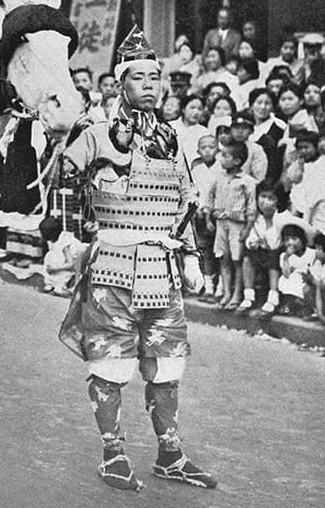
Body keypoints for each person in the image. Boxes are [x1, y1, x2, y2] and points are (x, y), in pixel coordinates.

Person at [59, 25, 215, 492]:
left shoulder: (172, 137)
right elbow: (64, 182)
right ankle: (113, 453)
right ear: (121, 83)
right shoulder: (97, 133)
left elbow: (186, 200)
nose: (150, 85)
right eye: (139, 78)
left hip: (162, 271)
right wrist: (68, 236)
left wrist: (191, 254)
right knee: (111, 366)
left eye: (155, 77)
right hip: (111, 267)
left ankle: (170, 453)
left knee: (167, 367)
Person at [201, 140, 257, 310]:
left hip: (237, 225)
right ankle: (226, 293)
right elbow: (209, 199)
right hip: (221, 224)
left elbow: (251, 208)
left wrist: (247, 229)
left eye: (226, 156)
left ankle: (237, 294)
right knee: (223, 259)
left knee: (237, 260)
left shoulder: (247, 181)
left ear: (237, 161)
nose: (221, 159)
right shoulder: (218, 178)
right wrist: (208, 219)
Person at [239, 183, 291, 314]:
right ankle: (249, 296)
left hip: (280, 257)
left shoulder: (282, 217)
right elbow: (250, 238)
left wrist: (262, 239)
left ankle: (273, 298)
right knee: (247, 256)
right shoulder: (257, 218)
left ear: (278, 201)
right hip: (262, 254)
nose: (265, 201)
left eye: (271, 198)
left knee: (274, 255)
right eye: (262, 196)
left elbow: (275, 244)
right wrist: (252, 242)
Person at [190, 134, 221, 301]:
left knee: (220, 252)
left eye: (211, 147)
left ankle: (220, 289)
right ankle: (207, 287)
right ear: (198, 151)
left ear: (218, 149)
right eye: (204, 148)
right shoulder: (197, 170)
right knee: (205, 250)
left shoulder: (221, 168)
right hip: (200, 215)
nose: (208, 151)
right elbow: (193, 192)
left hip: (217, 215)